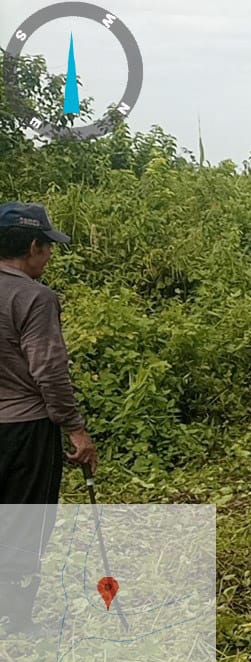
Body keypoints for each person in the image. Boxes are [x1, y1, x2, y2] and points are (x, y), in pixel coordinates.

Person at [0, 202, 97, 635]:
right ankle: (15, 621)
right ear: (34, 246)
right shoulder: (35, 298)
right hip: (24, 428)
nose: (49, 256)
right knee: (23, 524)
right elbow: (49, 371)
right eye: (48, 247)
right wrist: (75, 429)